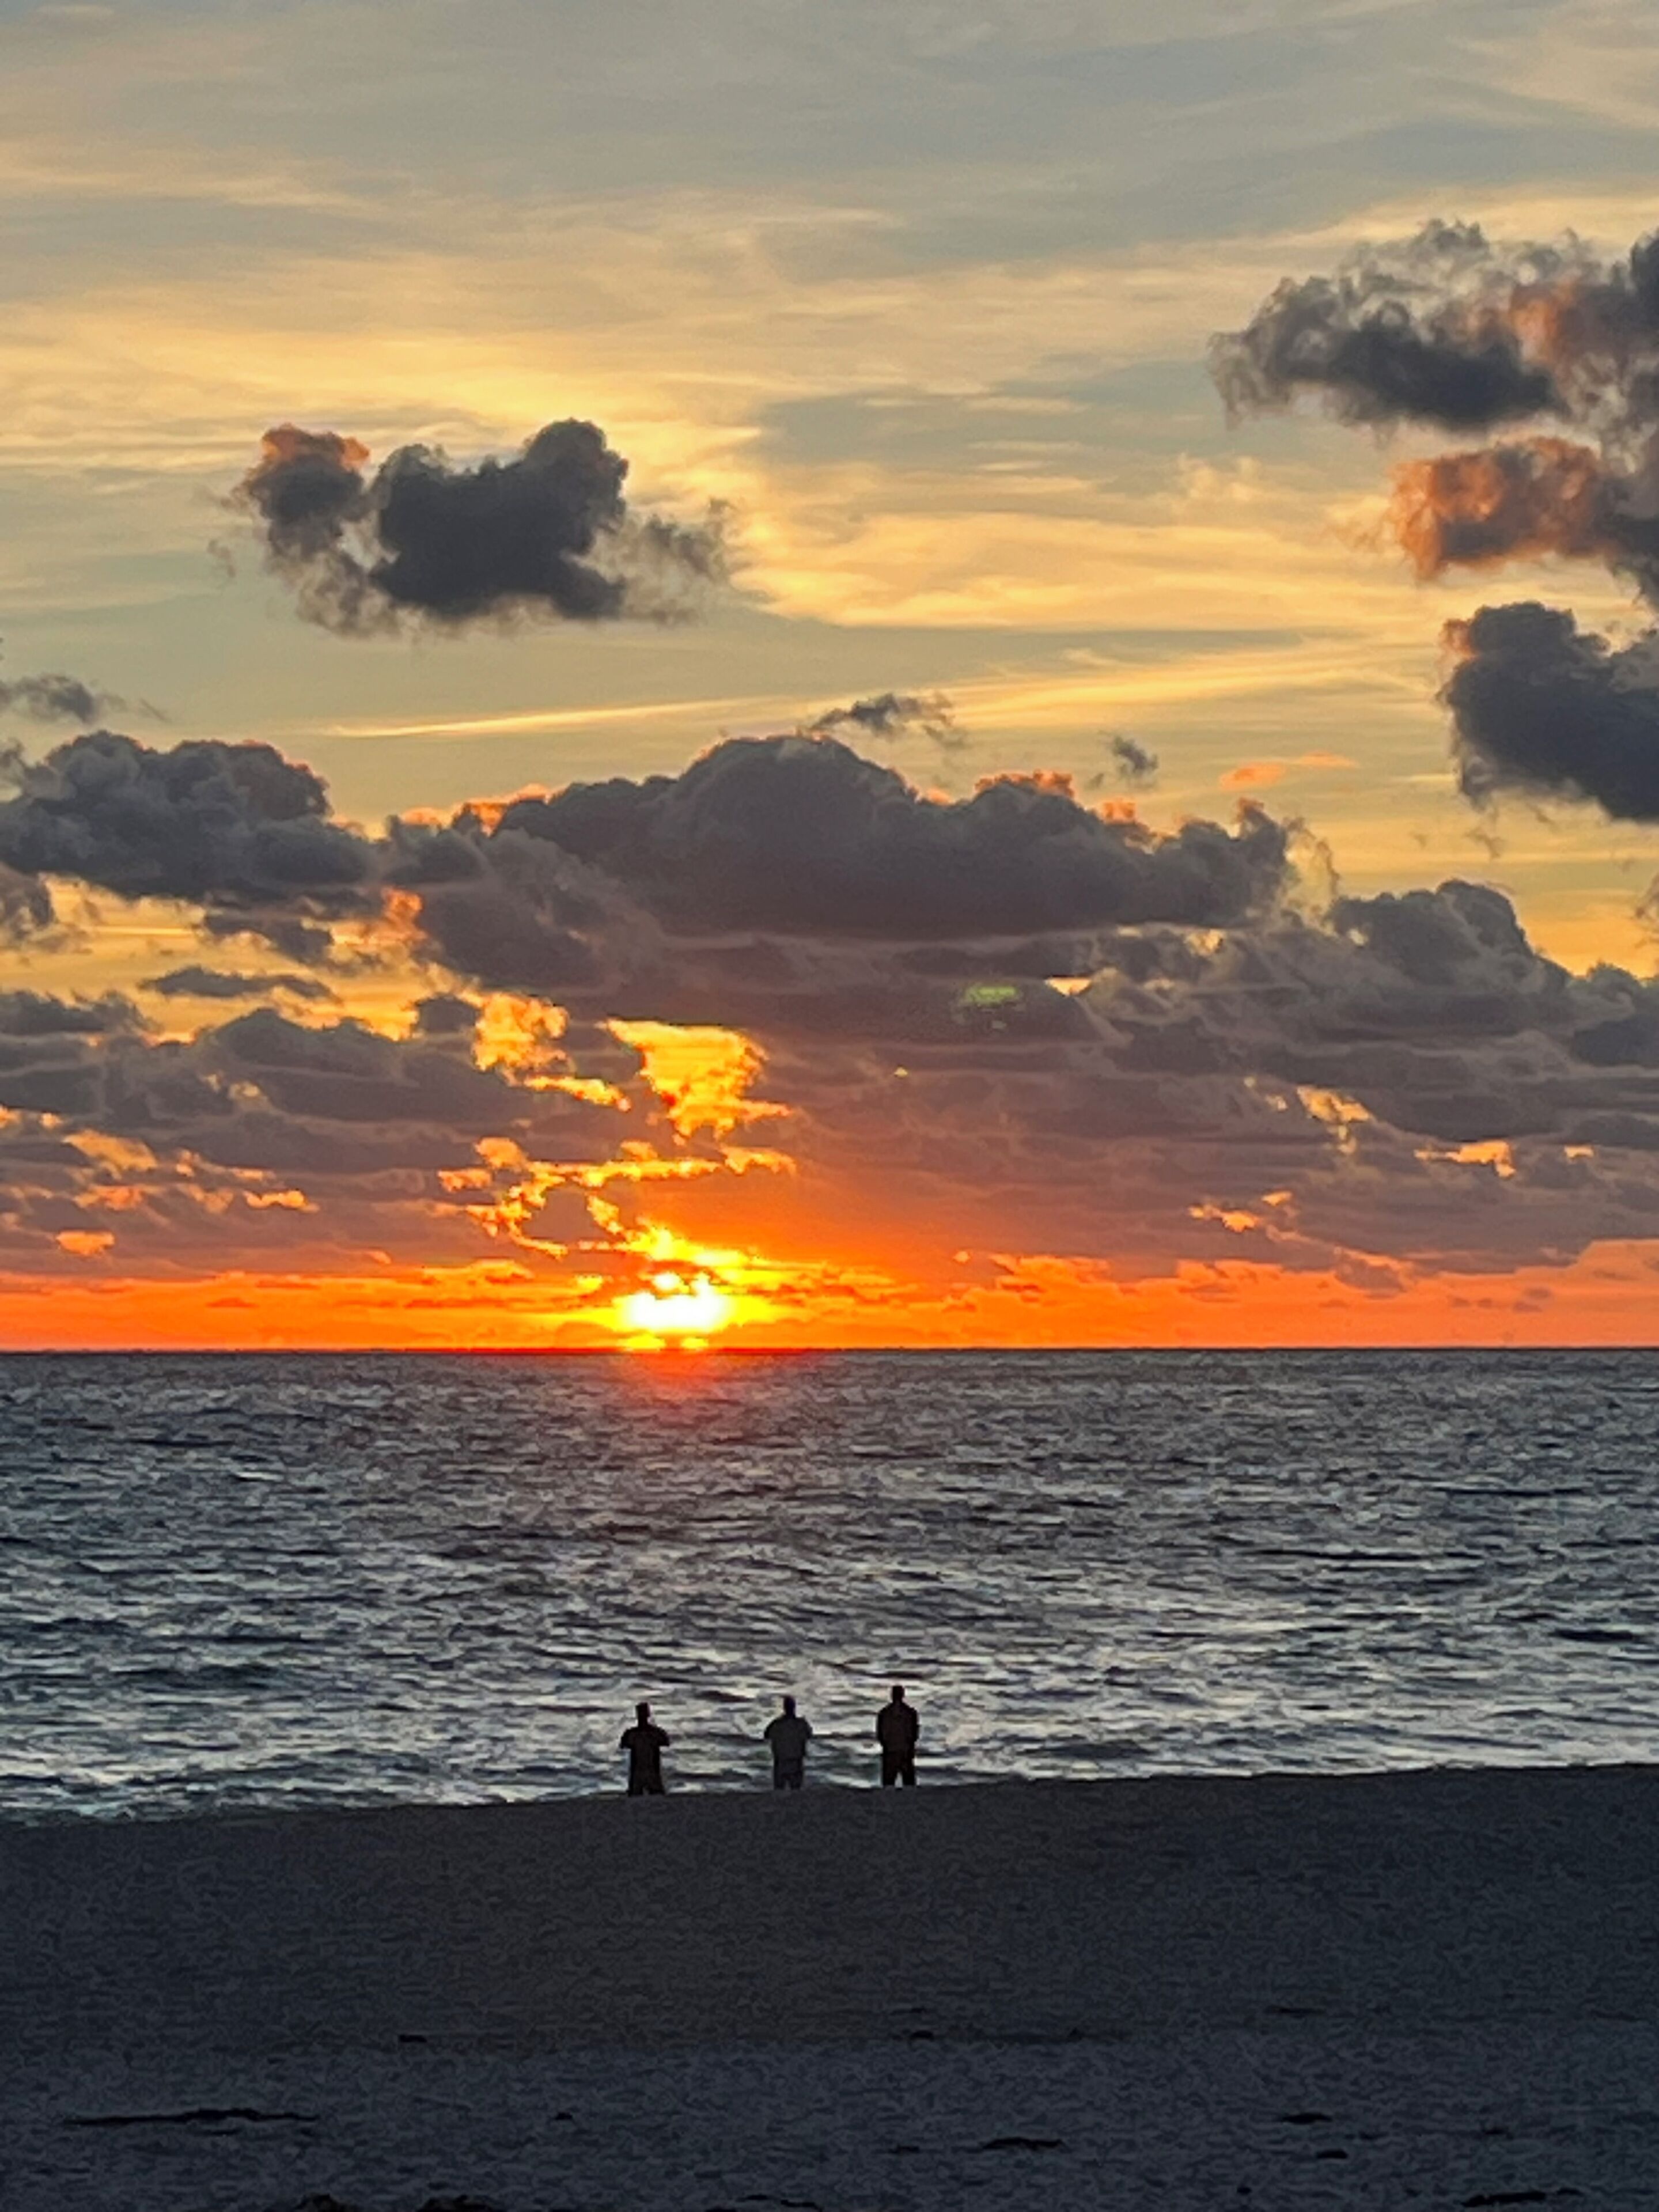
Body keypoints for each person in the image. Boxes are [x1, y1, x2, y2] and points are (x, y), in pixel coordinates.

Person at [763, 1694, 813, 1789]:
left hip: (781, 1761)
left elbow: (766, 1735)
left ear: (784, 1708)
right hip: (795, 1760)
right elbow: (809, 1735)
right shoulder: (801, 1724)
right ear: (794, 1707)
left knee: (779, 1790)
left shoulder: (776, 1724)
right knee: (796, 1791)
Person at [620, 1700, 670, 1796]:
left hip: (649, 1769)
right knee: (642, 1792)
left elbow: (665, 1741)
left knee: (653, 1792)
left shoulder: (652, 1733)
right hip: (640, 1769)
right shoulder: (652, 1733)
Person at [876, 1683, 919, 1786]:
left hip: (895, 1751)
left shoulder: (885, 1713)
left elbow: (880, 1734)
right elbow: (914, 1734)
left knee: (891, 1784)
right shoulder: (910, 1713)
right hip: (900, 1751)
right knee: (906, 1784)